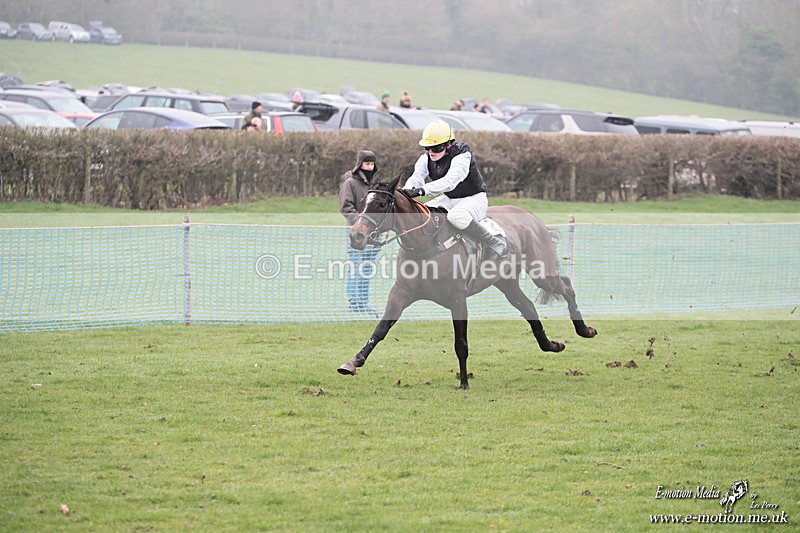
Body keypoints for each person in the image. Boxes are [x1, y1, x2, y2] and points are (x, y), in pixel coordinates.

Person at [401, 120, 507, 261]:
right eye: (428, 147)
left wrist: (421, 191)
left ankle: (494, 242)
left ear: (448, 145)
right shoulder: (425, 159)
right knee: (423, 213)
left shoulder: (462, 155)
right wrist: (405, 192)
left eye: (436, 147)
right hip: (450, 199)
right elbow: (417, 177)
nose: (431, 152)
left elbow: (450, 182)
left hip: (474, 199)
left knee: (456, 217)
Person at [339, 150, 381, 314]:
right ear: (360, 164)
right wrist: (361, 223)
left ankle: (363, 303)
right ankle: (354, 302)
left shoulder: (376, 184)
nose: (370, 167)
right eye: (367, 164)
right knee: (356, 266)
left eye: (372, 164)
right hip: (356, 233)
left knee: (367, 269)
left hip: (373, 234)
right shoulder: (350, 183)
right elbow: (346, 207)